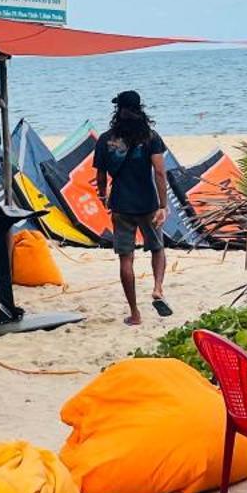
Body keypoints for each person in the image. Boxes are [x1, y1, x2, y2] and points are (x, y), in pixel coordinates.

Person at [95, 89, 170, 326]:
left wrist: (103, 194)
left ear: (118, 110)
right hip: (148, 203)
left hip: (121, 205)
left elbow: (100, 174)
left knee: (126, 259)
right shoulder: (150, 137)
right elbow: (159, 172)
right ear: (140, 109)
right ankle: (158, 288)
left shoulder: (106, 139)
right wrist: (163, 205)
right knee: (157, 248)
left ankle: (135, 313)